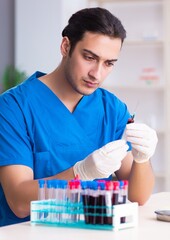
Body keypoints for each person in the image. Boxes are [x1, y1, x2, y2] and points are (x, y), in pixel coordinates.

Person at [0, 7, 158, 227]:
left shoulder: (111, 108)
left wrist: (143, 158)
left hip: (95, 230)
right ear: (66, 46)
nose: (97, 74)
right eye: (89, 57)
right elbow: (18, 201)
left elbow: (138, 196)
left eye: (108, 63)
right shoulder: (14, 107)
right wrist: (80, 173)